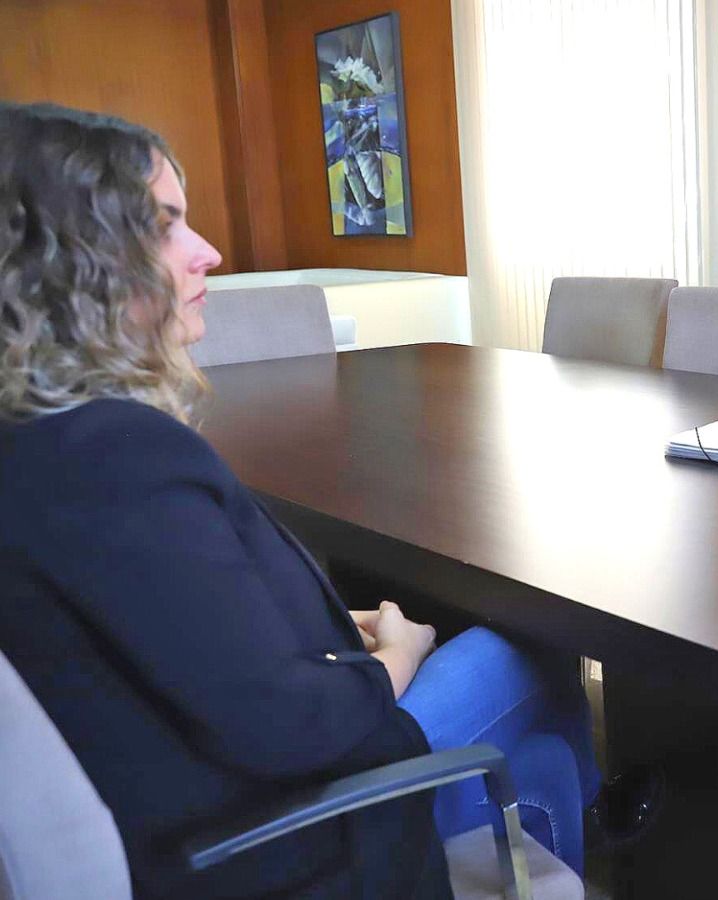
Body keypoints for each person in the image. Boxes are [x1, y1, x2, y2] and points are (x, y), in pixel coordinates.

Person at [0, 102, 598, 896]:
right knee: (529, 646)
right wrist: (402, 650)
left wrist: (317, 626)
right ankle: (597, 802)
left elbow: (164, 625)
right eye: (166, 225)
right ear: (76, 260)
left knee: (542, 764)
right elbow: (292, 725)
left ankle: (587, 802)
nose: (206, 252)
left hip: (185, 794)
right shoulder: (113, 458)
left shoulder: (40, 445)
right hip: (276, 839)